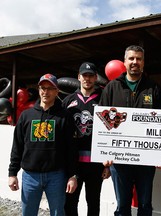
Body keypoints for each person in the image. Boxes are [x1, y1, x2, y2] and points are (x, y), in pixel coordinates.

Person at [99, 45, 161, 216]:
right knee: (122, 205)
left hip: (145, 159)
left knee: (145, 204)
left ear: (143, 63)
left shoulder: (154, 88)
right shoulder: (111, 87)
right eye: (131, 58)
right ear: (124, 62)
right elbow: (102, 122)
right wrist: (104, 152)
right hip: (119, 160)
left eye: (139, 59)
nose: (135, 62)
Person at [8, 73, 78, 216]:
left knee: (58, 213)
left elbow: (71, 148)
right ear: (39, 90)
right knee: (28, 213)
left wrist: (72, 175)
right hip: (30, 176)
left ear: (56, 91)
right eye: (42, 88)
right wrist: (12, 173)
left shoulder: (64, 116)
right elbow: (17, 146)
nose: (45, 92)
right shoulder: (26, 116)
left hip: (56, 176)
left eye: (50, 88)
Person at [63, 62, 109, 216]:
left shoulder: (104, 99)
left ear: (96, 78)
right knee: (70, 202)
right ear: (79, 77)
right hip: (72, 163)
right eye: (84, 76)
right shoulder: (68, 100)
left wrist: (107, 164)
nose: (87, 79)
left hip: (95, 164)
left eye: (91, 76)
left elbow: (112, 132)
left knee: (93, 202)